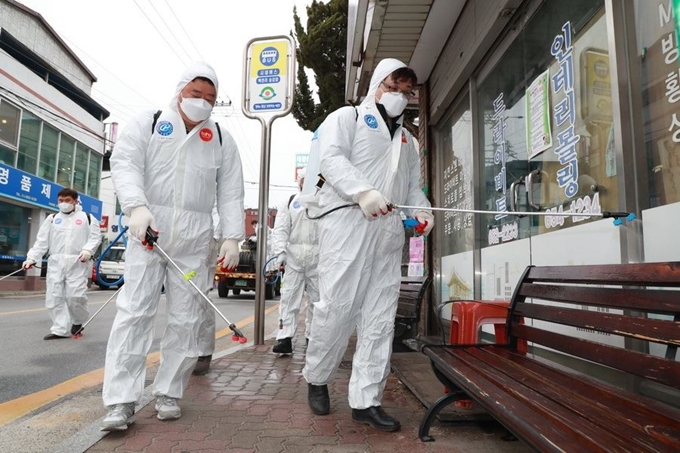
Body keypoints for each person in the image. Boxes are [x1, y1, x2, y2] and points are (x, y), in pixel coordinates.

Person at [100, 62, 245, 431]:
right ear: (181, 91)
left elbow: (230, 192)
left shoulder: (222, 140)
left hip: (194, 242)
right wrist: (136, 207)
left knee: (186, 319)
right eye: (196, 95)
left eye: (210, 98)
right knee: (134, 315)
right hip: (149, 233)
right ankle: (120, 401)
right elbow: (125, 163)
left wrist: (231, 236)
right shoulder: (148, 123)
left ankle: (168, 392)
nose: (203, 102)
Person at [302, 58, 434, 432]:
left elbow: (411, 189)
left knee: (379, 318)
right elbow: (331, 159)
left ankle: (366, 399)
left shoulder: (408, 139)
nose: (400, 96)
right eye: (394, 87)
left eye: (407, 92)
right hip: (347, 223)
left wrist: (423, 213)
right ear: (378, 84)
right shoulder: (348, 118)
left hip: (388, 231)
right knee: (337, 308)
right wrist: (363, 192)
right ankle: (318, 376)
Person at [23, 188, 101, 340]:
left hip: (77, 261)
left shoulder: (88, 218)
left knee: (75, 296)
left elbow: (95, 238)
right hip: (56, 262)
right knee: (54, 296)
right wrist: (31, 258)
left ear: (76, 201)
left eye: (67, 200)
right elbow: (41, 242)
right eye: (61, 201)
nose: (64, 204)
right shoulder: (52, 219)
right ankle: (60, 329)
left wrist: (87, 251)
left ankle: (78, 320)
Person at [270, 168, 319, 354]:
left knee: (317, 300)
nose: (305, 183)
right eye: (304, 180)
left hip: (318, 257)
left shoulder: (323, 203)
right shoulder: (291, 202)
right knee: (289, 298)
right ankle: (284, 337)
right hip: (294, 257)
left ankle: (312, 336)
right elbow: (281, 228)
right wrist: (280, 251)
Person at [192, 204, 222, 376]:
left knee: (200, 299)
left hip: (203, 245)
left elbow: (219, 211)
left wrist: (213, 238)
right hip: (176, 243)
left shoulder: (209, 184)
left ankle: (203, 353)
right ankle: (182, 352)